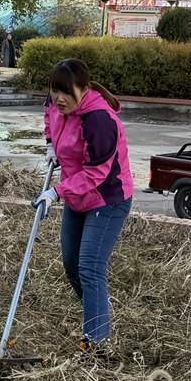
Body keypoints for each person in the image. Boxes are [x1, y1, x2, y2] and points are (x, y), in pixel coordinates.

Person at [31, 58, 133, 356]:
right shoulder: (57, 103)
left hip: (108, 198)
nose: (59, 98)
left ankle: (97, 343)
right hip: (78, 195)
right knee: (72, 265)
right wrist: (51, 143)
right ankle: (95, 312)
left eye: (66, 92)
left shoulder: (98, 121)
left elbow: (96, 174)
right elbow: (50, 113)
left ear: (84, 89)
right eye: (54, 90)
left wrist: (56, 192)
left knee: (90, 268)